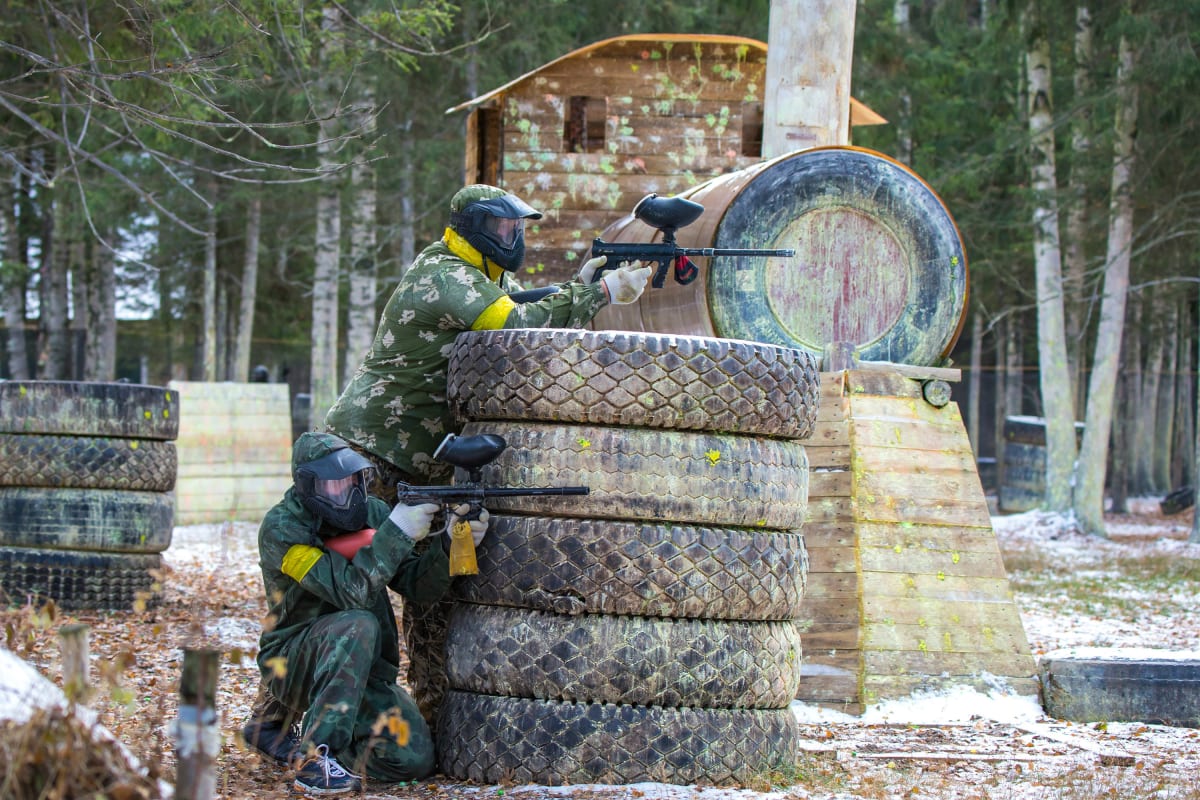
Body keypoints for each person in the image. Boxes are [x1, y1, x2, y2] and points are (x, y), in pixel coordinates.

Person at [321, 184, 651, 725]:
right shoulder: (444, 274)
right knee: (351, 596)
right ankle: (291, 721)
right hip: (368, 457)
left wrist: (580, 285)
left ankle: (430, 719)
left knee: (434, 593)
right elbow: (516, 328)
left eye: (518, 228)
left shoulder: (483, 279)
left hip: (420, 463)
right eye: (504, 229)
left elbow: (520, 307)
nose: (514, 238)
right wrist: (601, 294)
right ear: (473, 227)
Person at [247, 431, 486, 794]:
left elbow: (418, 587)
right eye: (334, 485)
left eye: (352, 481)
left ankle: (338, 749)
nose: (348, 493)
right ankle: (314, 759)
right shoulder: (284, 530)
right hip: (296, 665)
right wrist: (398, 532)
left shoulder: (372, 512)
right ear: (308, 486)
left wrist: (450, 543)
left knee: (411, 760)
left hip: (363, 673)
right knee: (357, 622)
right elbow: (351, 592)